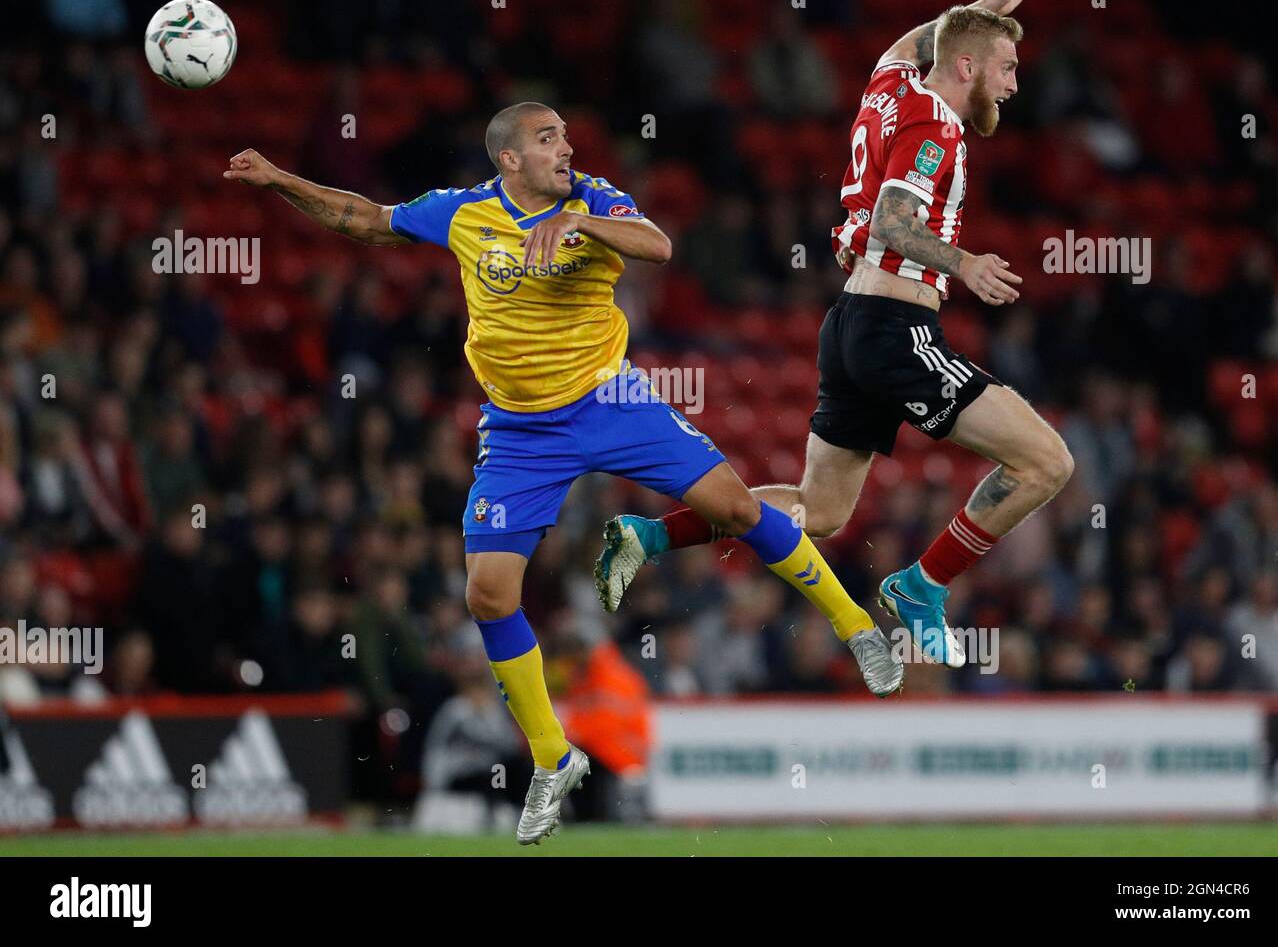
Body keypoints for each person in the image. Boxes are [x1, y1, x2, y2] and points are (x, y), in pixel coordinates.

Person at [224, 102, 901, 843]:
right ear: (509, 159)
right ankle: (554, 758)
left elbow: (658, 245)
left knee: (737, 508)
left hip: (610, 400)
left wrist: (582, 224)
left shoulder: (594, 197)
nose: (565, 147)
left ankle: (856, 626)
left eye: (566, 136)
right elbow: (362, 218)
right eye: (547, 139)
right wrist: (278, 178)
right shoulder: (462, 213)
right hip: (519, 432)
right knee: (487, 593)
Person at [597, 0, 1073, 668]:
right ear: (966, 66)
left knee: (819, 515)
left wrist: (978, 4)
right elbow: (892, 218)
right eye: (1006, 66)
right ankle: (923, 584)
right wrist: (964, 263)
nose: (1013, 82)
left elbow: (906, 50)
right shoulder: (936, 129)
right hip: (897, 331)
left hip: (849, 325)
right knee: (1047, 463)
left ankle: (651, 536)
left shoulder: (890, 90)